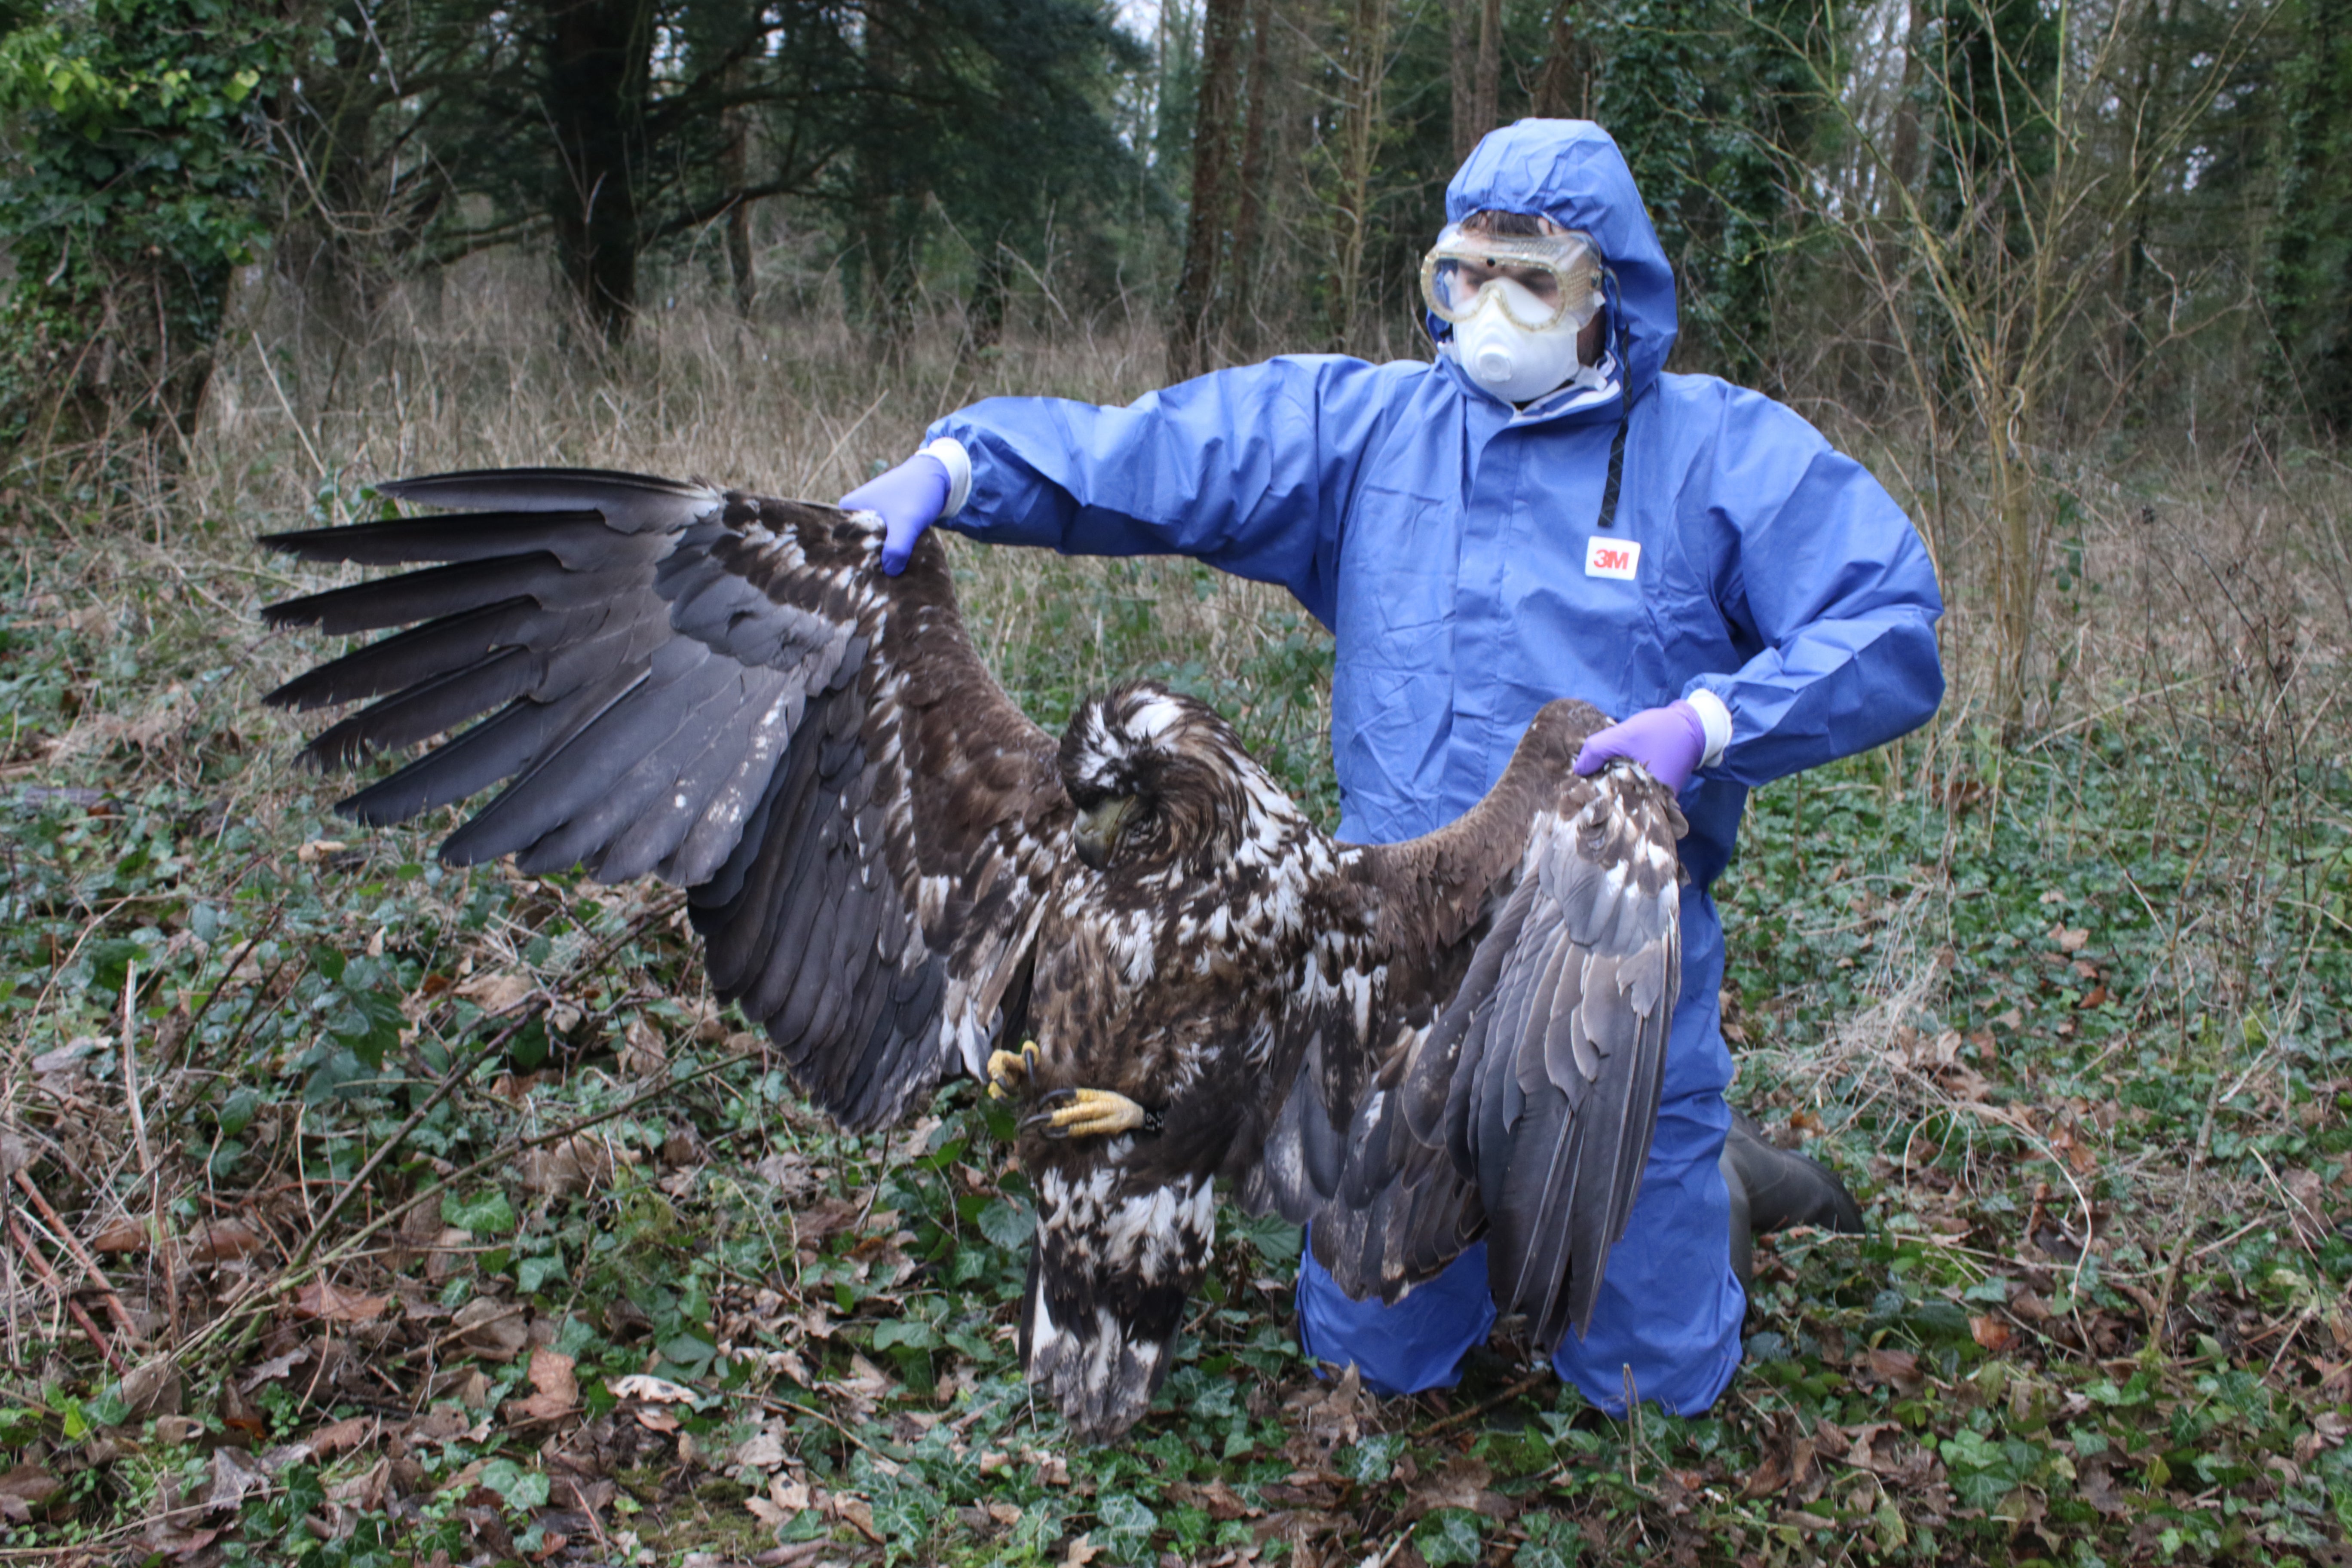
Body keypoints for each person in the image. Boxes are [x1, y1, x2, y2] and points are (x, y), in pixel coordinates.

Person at [839, 118, 1944, 1416]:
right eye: (1463, 274)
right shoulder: (1372, 432)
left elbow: (1886, 624)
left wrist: (1711, 723)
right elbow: (1165, 451)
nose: (1491, 308)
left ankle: (1709, 1191)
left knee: (1652, 1386)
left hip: (1610, 973)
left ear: (1611, 298)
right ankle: (1448, 1245)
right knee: (1375, 1369)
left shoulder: (1718, 454)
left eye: (1532, 280)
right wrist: (966, 465)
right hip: (1388, 973)